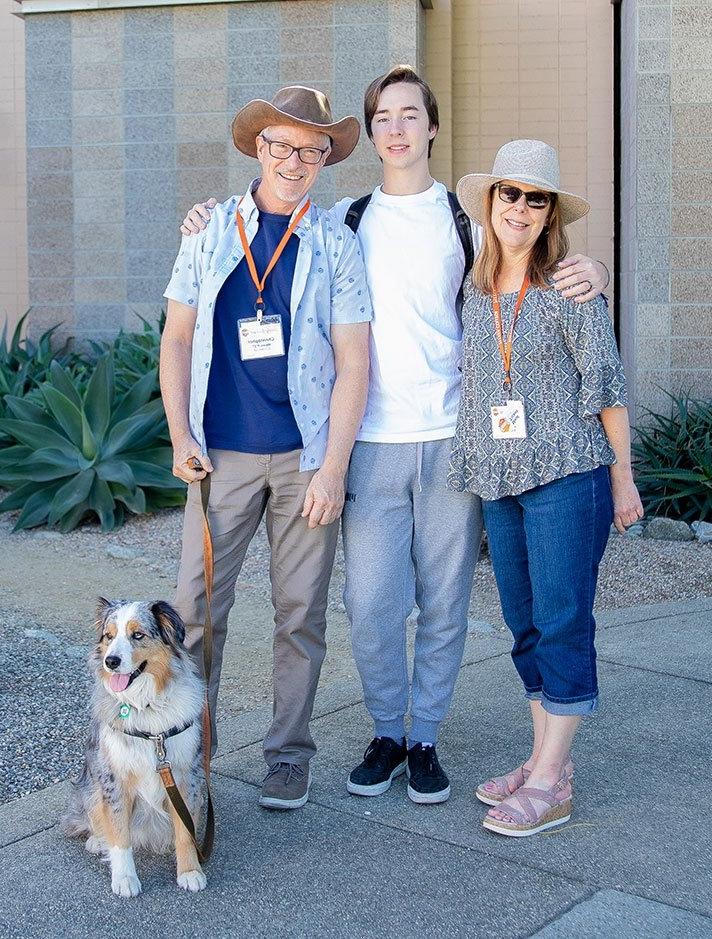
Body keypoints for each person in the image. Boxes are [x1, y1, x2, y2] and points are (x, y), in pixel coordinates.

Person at [179, 67, 611, 805]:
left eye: (411, 114)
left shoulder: (465, 219)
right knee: (373, 603)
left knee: (444, 601)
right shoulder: (344, 219)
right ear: (371, 132)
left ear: (432, 127)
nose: (398, 128)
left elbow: (532, 254)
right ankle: (385, 729)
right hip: (369, 440)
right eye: (384, 116)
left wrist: (592, 267)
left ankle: (426, 739)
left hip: (454, 438)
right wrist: (203, 219)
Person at [160, 86, 372, 812]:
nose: (295, 160)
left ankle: (287, 755)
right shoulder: (211, 230)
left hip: (306, 458)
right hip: (219, 457)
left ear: (323, 161)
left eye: (311, 150)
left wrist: (334, 466)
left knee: (299, 616)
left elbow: (354, 361)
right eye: (282, 145)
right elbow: (178, 337)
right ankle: (190, 752)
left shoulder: (336, 241)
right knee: (193, 613)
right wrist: (181, 434)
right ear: (259, 148)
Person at [448, 139, 643, 836]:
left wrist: (624, 478)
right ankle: (542, 764)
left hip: (569, 474)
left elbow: (607, 387)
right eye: (511, 194)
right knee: (523, 622)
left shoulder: (571, 286)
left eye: (537, 198)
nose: (522, 208)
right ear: (491, 202)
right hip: (500, 476)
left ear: (550, 211)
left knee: (562, 620)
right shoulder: (472, 289)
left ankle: (553, 784)